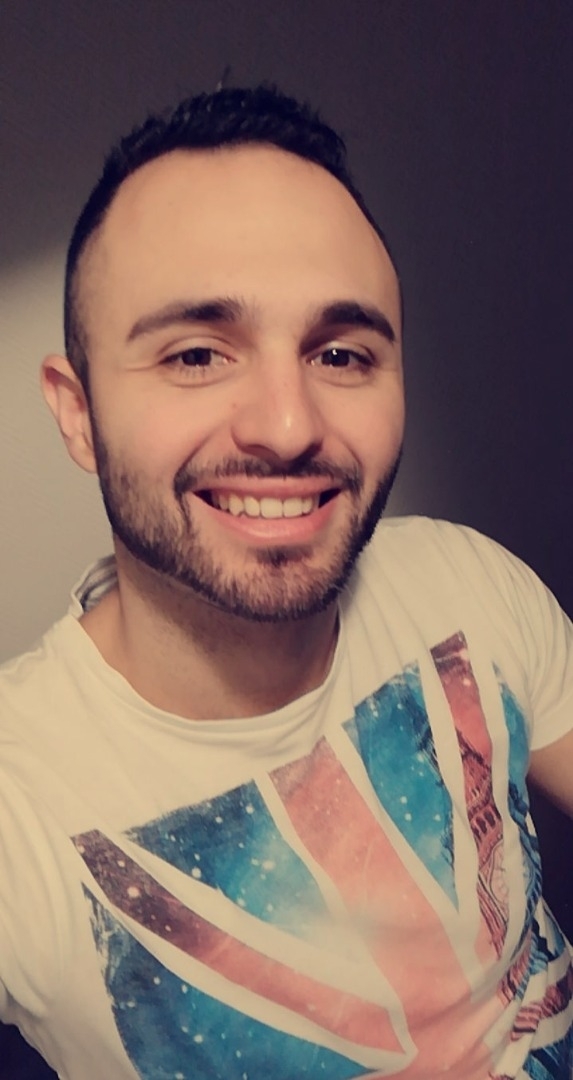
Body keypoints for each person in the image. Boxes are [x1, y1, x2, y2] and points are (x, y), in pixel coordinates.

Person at [0, 84, 572, 1080]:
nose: (288, 425)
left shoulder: (469, 580)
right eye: (196, 354)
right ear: (77, 411)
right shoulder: (20, 801)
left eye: (341, 353)